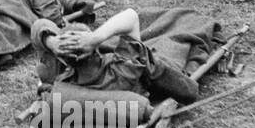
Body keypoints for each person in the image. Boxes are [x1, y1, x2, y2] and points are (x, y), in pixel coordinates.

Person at [31, 8, 199, 103]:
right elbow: (131, 17)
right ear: (94, 49)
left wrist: (53, 43)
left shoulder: (64, 80)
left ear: (61, 58)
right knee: (178, 29)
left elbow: (38, 26)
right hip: (156, 69)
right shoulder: (122, 71)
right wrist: (96, 38)